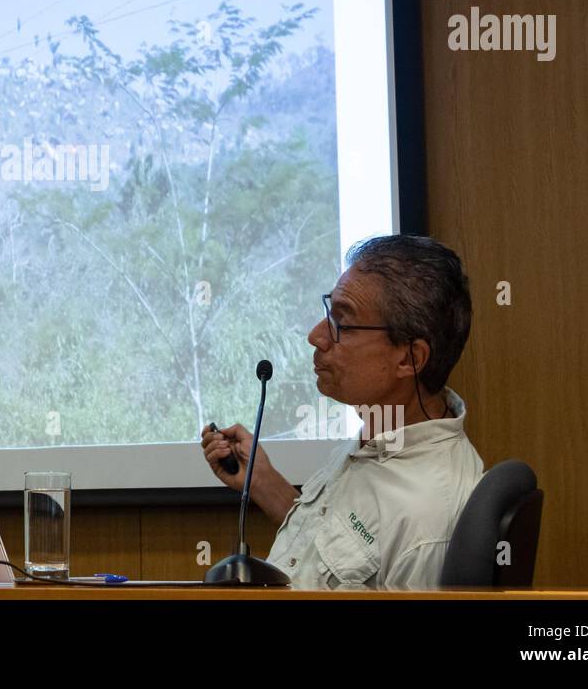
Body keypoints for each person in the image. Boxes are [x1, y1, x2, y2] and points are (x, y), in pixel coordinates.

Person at [200, 234, 484, 589]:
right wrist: (262, 482)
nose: (317, 336)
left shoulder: (426, 520)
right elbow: (339, 557)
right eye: (328, 313)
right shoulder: (385, 430)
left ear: (409, 358)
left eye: (343, 323)